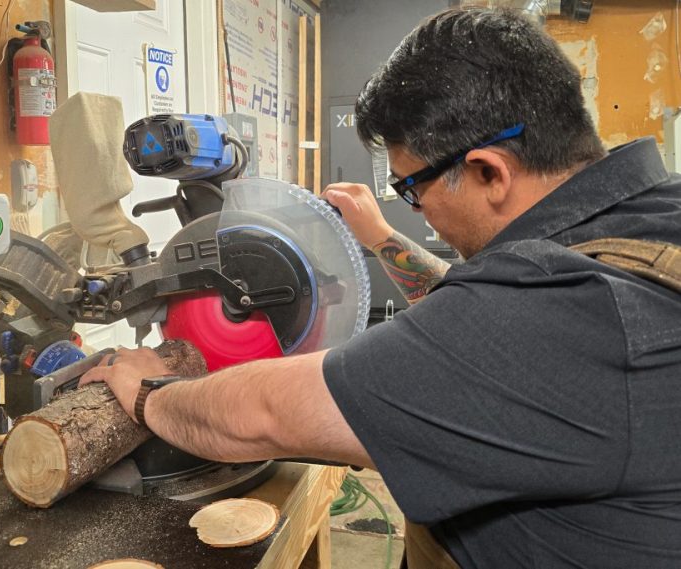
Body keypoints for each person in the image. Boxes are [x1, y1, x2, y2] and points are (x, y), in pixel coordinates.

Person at [81, 7, 681, 568]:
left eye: (413, 188)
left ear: (487, 171)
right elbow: (472, 303)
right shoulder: (645, 225)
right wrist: (380, 236)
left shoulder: (559, 313)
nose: (420, 213)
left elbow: (263, 414)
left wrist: (145, 394)